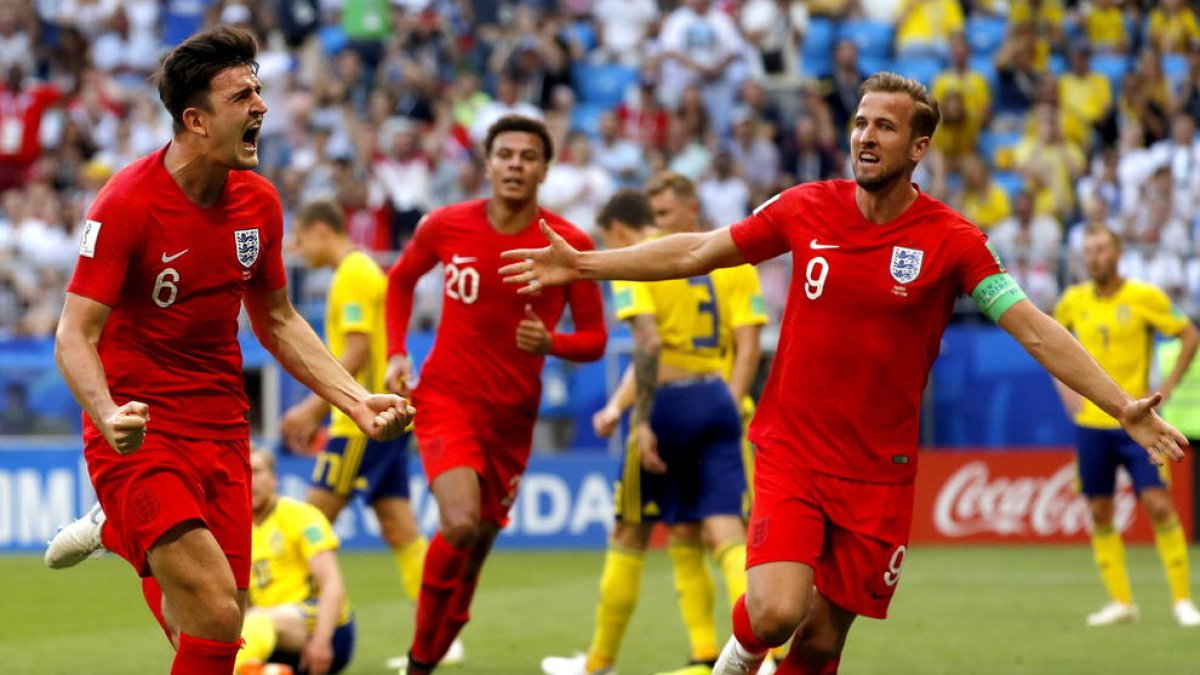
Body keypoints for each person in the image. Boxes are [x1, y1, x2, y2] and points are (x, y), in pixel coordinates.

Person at [500, 72, 1189, 675]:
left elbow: (1034, 327)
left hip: (880, 473)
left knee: (822, 639)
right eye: (860, 122)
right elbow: (696, 252)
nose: (865, 135)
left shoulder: (954, 241)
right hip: (794, 451)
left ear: (918, 148)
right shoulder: (805, 206)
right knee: (775, 612)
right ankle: (736, 660)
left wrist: (1120, 403)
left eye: (885, 126)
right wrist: (584, 264)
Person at [43, 27, 413, 675]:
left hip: (222, 430)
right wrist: (105, 413)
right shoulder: (126, 203)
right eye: (242, 96)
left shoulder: (259, 203)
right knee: (216, 612)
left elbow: (279, 320)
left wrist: (354, 400)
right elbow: (73, 333)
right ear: (196, 120)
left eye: (258, 90)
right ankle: (126, 516)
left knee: (215, 626)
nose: (261, 106)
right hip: (141, 431)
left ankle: (120, 530)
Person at [385, 114, 607, 674]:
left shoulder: (568, 244)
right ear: (487, 165)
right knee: (459, 523)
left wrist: (552, 342)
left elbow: (596, 340)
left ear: (545, 170)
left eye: (528, 157)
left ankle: (429, 655)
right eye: (505, 154)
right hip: (447, 399)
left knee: (477, 546)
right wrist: (396, 352)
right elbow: (401, 279)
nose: (515, 165)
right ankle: (418, 660)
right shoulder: (446, 225)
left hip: (513, 418)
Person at [541, 187, 765, 675]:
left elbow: (648, 344)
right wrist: (618, 406)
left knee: (629, 531)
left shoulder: (639, 262)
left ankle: (598, 663)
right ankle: (756, 657)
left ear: (618, 230)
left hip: (668, 406)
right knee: (722, 530)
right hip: (716, 396)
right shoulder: (699, 259)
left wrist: (640, 421)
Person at [281, 200, 461, 666]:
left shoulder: (354, 274)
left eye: (300, 237)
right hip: (386, 419)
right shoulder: (361, 270)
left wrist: (311, 408)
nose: (297, 249)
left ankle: (283, 619)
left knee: (307, 522)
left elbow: (357, 350)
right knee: (400, 528)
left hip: (359, 424)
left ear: (322, 230)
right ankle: (441, 633)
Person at [1052, 225, 1200, 628]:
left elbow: (1189, 335)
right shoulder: (1072, 300)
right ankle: (1121, 602)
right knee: (1099, 510)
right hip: (1092, 424)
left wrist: (1166, 388)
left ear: (1118, 254)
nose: (1093, 256)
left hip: (1137, 424)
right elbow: (1051, 343)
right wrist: (1064, 389)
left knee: (1158, 504)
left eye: (1101, 249)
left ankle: (1183, 601)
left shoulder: (1144, 297)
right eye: (1088, 250)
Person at [236, 449, 355, 675]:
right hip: (267, 632)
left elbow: (331, 584)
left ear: (274, 479)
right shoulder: (236, 529)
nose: (250, 480)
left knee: (258, 621)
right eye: (244, 473)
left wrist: (322, 640)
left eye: (257, 471)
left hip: (324, 629)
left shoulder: (302, 516)